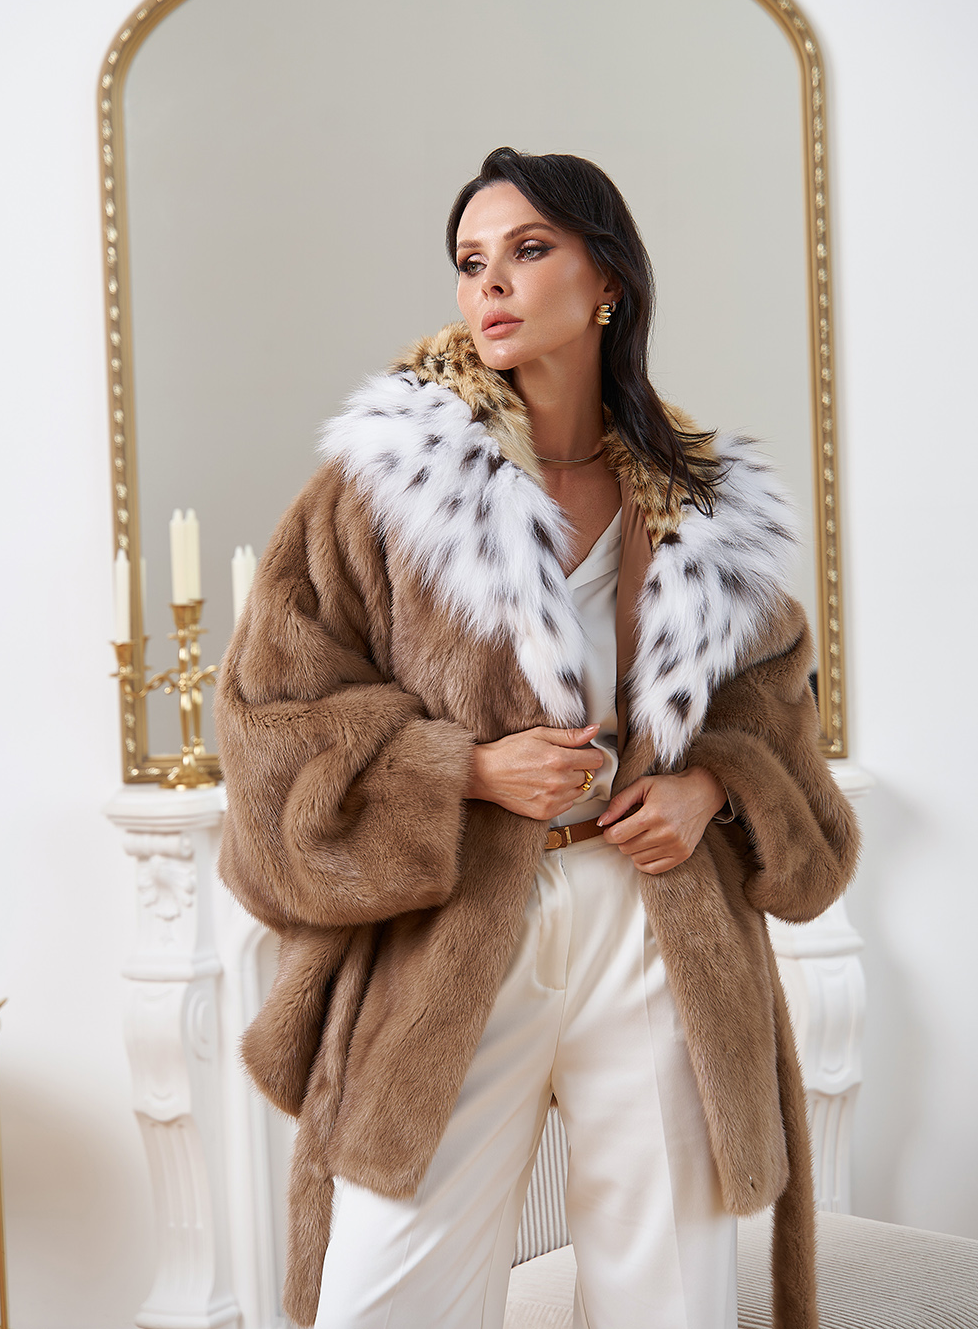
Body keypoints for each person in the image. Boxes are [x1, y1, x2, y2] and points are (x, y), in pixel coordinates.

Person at [216, 146, 859, 1329]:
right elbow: (267, 728)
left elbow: (772, 712)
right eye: (470, 262)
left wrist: (711, 788)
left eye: (526, 250)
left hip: (655, 926)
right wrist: (460, 770)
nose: (491, 285)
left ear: (605, 278)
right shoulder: (384, 488)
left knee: (669, 1298)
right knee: (386, 1295)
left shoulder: (705, 509)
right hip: (459, 925)